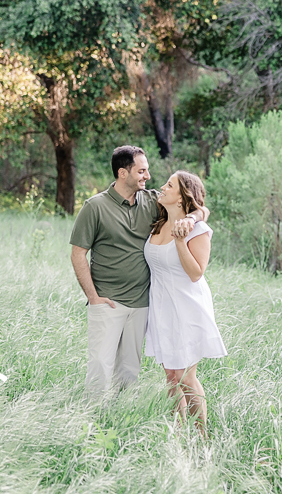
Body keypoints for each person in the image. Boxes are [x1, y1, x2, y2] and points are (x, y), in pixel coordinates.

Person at [69, 146, 205, 395]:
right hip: (107, 301)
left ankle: (120, 424)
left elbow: (196, 206)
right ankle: (92, 423)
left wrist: (193, 219)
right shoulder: (95, 207)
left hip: (142, 304)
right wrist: (93, 297)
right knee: (100, 365)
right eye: (141, 171)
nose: (147, 176)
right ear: (123, 173)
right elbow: (78, 253)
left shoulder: (153, 201)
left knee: (130, 370)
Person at [145, 170, 226, 433]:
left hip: (187, 307)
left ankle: (201, 437)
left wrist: (181, 240)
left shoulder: (197, 230)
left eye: (169, 185)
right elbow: (203, 209)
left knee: (185, 377)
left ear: (182, 198)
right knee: (171, 377)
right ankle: (178, 434)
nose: (162, 187)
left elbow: (195, 273)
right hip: (162, 307)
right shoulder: (159, 222)